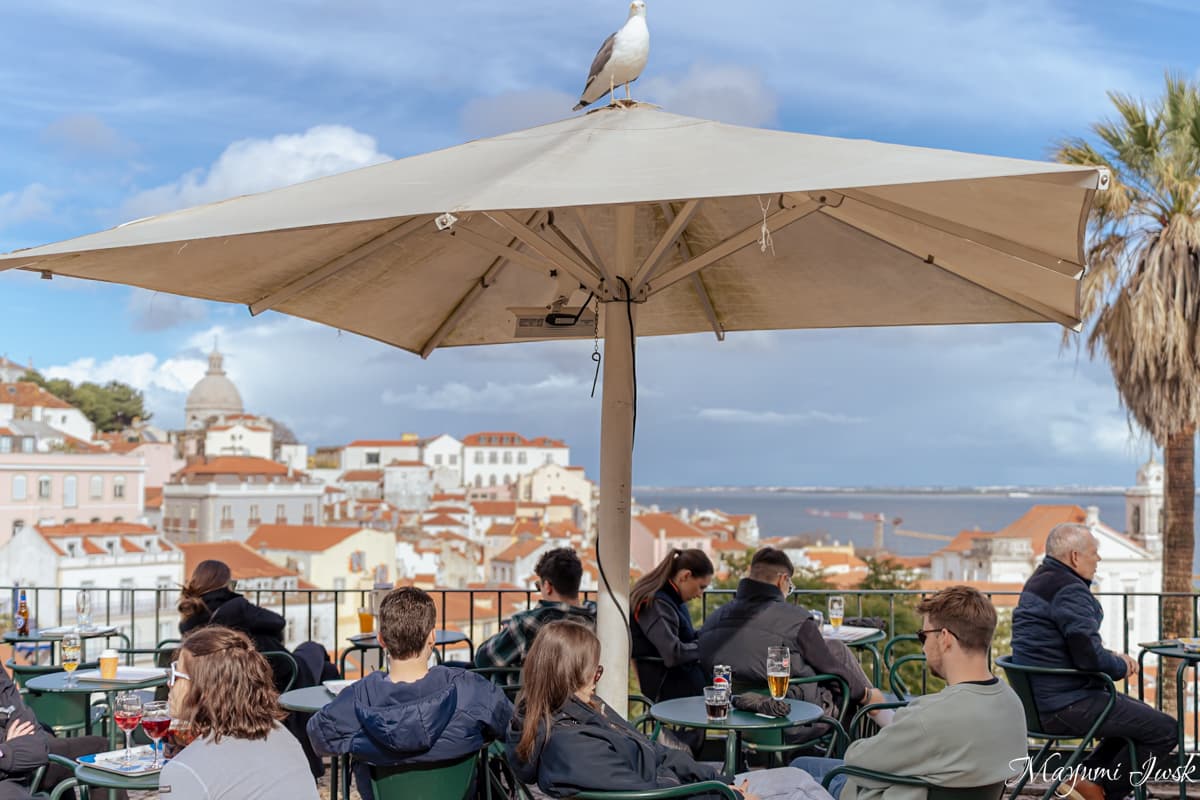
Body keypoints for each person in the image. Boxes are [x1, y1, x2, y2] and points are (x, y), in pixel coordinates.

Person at [506, 620, 832, 800]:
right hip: (690, 795)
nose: (598, 677)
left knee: (799, 776)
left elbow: (656, 755)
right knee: (799, 784)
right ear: (573, 673)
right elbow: (646, 794)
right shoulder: (571, 745)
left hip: (693, 788)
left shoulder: (582, 712)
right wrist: (723, 795)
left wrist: (722, 780)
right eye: (596, 671)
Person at [790, 586, 1027, 800]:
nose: (923, 646)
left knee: (794, 773)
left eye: (923, 636)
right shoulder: (1012, 704)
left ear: (944, 638)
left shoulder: (930, 716)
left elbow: (857, 763)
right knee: (803, 763)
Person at [1011, 523, 1176, 800]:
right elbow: (1089, 657)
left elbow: (1075, 646)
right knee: (1165, 730)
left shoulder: (1039, 581)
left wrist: (1109, 657)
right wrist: (1121, 665)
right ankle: (1105, 792)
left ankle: (1085, 780)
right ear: (1075, 557)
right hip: (1065, 704)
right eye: (1094, 553)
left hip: (1043, 701)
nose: (1098, 559)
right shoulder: (1069, 591)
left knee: (1137, 720)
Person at [308, 587, 513, 800]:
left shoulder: (356, 698)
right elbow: (512, 726)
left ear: (381, 640)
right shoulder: (472, 689)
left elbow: (318, 738)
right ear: (432, 637)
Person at [698, 548, 886, 721]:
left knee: (835, 655)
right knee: (841, 665)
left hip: (734, 716)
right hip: (792, 718)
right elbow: (830, 669)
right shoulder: (796, 620)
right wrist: (866, 694)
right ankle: (881, 729)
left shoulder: (713, 620)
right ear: (783, 580)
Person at [158, 626, 319, 800]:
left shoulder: (183, 771)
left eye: (176, 674)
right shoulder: (281, 734)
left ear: (205, 689)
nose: (169, 683)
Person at [0, 664, 118, 800]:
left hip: (22, 756)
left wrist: (11, 748)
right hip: (9, 779)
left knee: (101, 752)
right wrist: (8, 749)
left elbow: (31, 733)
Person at [474, 547, 596, 668]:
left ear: (547, 586)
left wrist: (507, 631)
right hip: (581, 684)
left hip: (525, 687)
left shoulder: (528, 623)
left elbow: (482, 660)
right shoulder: (596, 616)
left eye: (539, 586)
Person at [630, 548, 713, 701]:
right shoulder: (657, 603)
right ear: (685, 576)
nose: (700, 594)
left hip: (680, 681)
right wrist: (707, 646)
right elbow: (672, 654)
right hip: (670, 687)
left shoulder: (671, 599)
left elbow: (685, 638)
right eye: (701, 587)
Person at [178, 559, 286, 654]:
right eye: (232, 583)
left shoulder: (188, 618)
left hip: (208, 674)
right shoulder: (236, 608)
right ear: (225, 583)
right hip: (263, 671)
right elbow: (278, 621)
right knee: (303, 649)